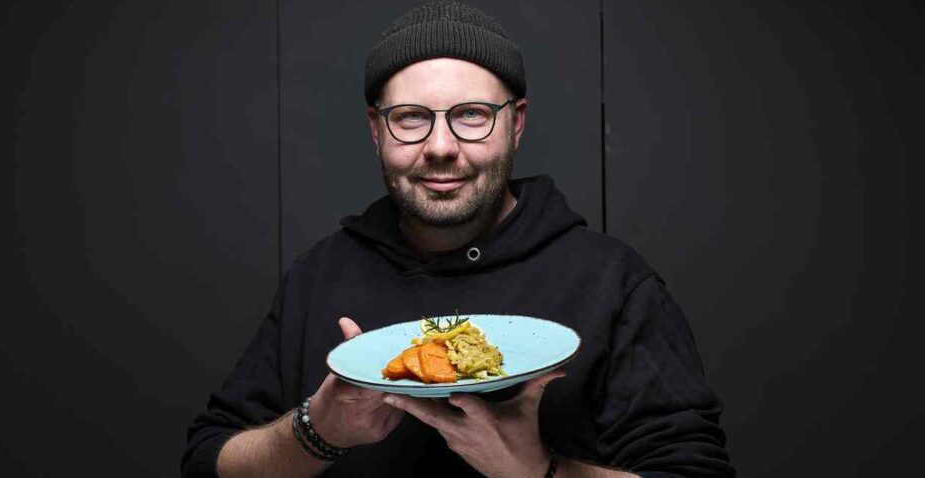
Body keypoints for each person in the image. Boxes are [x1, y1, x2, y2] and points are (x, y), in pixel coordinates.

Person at [182, 1, 734, 477]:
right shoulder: (318, 275)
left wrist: (539, 471)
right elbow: (209, 461)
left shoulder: (614, 283)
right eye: (411, 117)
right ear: (376, 131)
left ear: (515, 124)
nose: (441, 146)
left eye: (471, 115)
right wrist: (317, 431)